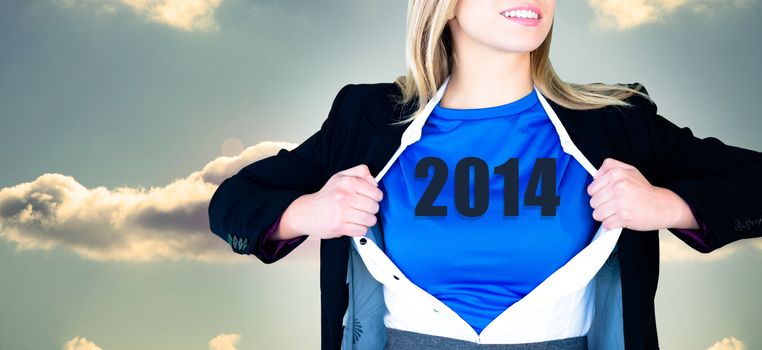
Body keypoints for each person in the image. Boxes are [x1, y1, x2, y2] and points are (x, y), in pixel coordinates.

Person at [207, 0, 762, 349]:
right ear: (444, 5)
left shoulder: (619, 121)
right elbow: (232, 202)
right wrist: (311, 212)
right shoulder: (366, 118)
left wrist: (668, 206)